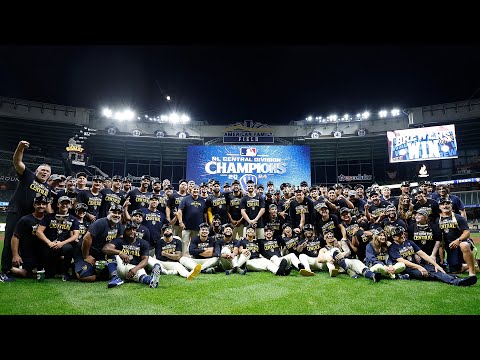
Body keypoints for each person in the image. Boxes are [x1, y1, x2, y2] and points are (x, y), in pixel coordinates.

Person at [1, 140, 52, 282]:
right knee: (9, 240)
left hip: (30, 218)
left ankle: (18, 267)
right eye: (43, 170)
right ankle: (4, 271)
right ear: (37, 171)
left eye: (48, 171)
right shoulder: (28, 176)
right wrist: (20, 147)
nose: (45, 172)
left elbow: (47, 207)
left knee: (26, 243)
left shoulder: (47, 189)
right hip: (16, 212)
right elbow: (17, 161)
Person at [388, 226, 477, 286]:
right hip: (408, 268)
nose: (402, 236)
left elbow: (422, 253)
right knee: (426, 274)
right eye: (399, 235)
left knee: (434, 269)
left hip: (418, 265)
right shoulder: (393, 247)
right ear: (394, 237)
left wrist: (436, 265)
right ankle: (456, 281)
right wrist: (419, 267)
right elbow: (403, 261)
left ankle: (457, 279)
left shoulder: (409, 242)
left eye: (402, 233)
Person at [74, 204, 124, 286]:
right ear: (108, 212)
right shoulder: (100, 223)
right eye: (114, 212)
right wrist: (86, 256)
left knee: (110, 254)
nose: (117, 215)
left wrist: (114, 249)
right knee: (89, 277)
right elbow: (87, 238)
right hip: (84, 251)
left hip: (100, 251)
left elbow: (119, 238)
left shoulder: (118, 225)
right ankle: (76, 268)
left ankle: (115, 277)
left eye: (119, 213)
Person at [102, 221, 161, 288]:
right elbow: (105, 249)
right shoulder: (119, 240)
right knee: (110, 253)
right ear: (125, 231)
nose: (132, 231)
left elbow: (145, 259)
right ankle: (115, 277)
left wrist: (135, 269)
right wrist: (120, 253)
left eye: (134, 229)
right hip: (121, 266)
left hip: (134, 267)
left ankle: (152, 280)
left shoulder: (143, 243)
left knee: (142, 276)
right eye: (129, 230)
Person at [35, 195, 80, 280]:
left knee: (69, 248)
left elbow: (75, 235)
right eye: (62, 203)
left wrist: (62, 243)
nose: (65, 205)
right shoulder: (49, 217)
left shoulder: (73, 219)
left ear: (70, 205)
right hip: (49, 244)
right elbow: (39, 231)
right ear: (58, 204)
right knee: (49, 274)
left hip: (63, 244)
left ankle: (65, 273)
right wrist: (49, 243)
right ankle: (45, 269)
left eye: (67, 203)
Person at [435, 198, 477, 277]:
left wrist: (458, 240)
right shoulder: (438, 220)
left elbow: (467, 232)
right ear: (439, 207)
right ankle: (473, 263)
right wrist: (441, 258)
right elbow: (439, 240)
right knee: (455, 271)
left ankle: (471, 272)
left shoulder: (458, 217)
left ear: (451, 205)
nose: (445, 206)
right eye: (443, 204)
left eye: (447, 203)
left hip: (462, 241)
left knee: (464, 245)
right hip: (451, 246)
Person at [10, 194, 49, 278]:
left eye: (43, 204)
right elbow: (15, 237)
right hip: (28, 253)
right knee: (26, 273)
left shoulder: (49, 219)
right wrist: (15, 255)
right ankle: (10, 268)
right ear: (34, 205)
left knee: (49, 273)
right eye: (38, 204)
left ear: (46, 206)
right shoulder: (25, 219)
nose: (41, 206)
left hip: (43, 252)